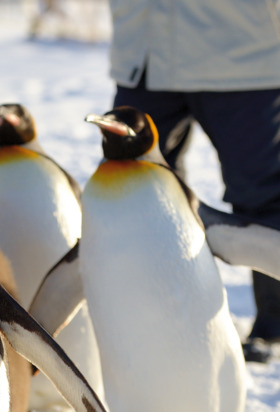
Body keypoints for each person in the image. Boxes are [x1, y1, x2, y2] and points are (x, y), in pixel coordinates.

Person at [107, 0, 280, 362]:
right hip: (144, 49)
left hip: (241, 51)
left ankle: (275, 326)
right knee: (135, 193)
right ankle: (159, 317)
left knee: (264, 192)